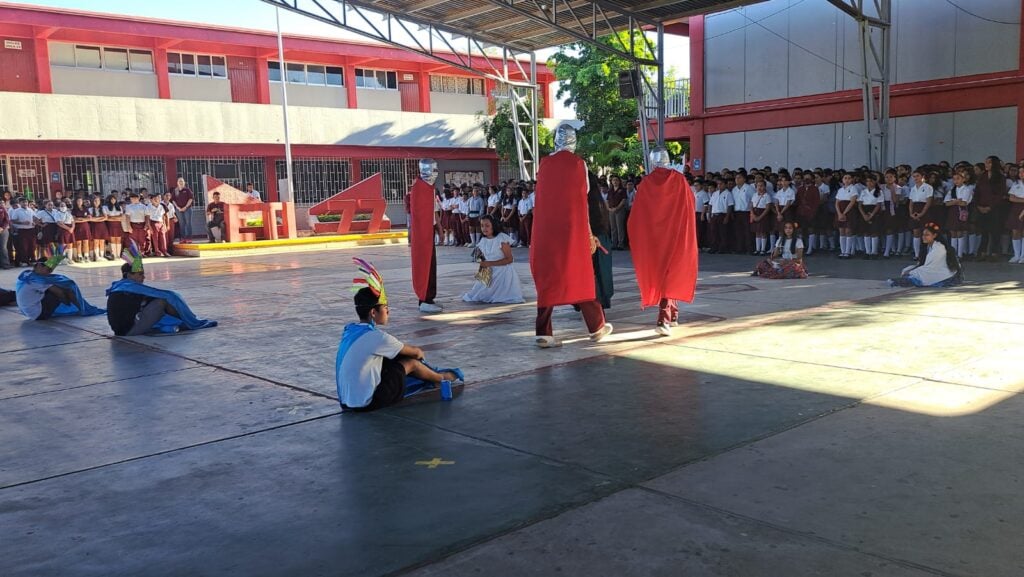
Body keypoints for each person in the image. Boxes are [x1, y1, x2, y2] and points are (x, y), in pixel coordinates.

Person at [336, 259, 463, 411]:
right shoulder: (377, 337)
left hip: (345, 402)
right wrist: (420, 360)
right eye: (385, 307)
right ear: (373, 312)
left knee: (391, 359)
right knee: (411, 363)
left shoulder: (350, 330)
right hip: (367, 403)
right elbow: (416, 352)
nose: (388, 311)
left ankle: (429, 376)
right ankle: (441, 379)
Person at [530, 123, 613, 348]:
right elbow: (581, 200)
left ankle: (543, 331)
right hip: (571, 229)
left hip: (546, 231)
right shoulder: (578, 164)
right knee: (579, 274)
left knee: (549, 278)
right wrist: (588, 234)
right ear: (574, 141)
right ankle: (595, 326)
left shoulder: (544, 164)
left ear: (556, 140)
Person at [627, 147, 699, 337]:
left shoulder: (646, 183)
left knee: (664, 274)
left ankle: (671, 314)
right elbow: (690, 204)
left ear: (652, 161)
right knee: (672, 273)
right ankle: (664, 317)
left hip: (655, 239)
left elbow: (637, 214)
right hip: (676, 235)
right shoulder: (680, 180)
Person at [105, 242, 217, 336]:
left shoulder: (119, 285)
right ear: (129, 275)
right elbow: (164, 296)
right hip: (127, 331)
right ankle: (190, 323)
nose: (143, 277)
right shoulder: (129, 287)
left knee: (160, 303)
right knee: (163, 301)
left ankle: (186, 321)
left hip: (122, 328)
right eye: (140, 274)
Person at [14, 247, 105, 320]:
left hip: (27, 311)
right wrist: (68, 300)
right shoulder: (38, 280)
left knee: (56, 289)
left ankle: (79, 307)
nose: (49, 273)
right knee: (66, 290)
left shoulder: (27, 274)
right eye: (48, 270)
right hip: (37, 313)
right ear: (39, 266)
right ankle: (82, 310)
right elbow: (59, 293)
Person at [462, 215, 524, 304]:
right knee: (477, 295)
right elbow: (481, 257)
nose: (484, 228)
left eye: (487, 226)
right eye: (482, 225)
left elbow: (509, 259)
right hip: (488, 270)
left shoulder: (501, 238)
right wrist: (482, 264)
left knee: (499, 296)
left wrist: (490, 263)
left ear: (493, 226)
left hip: (502, 272)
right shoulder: (483, 240)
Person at [409, 159, 444, 314]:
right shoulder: (419, 188)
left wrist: (439, 229)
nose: (435, 174)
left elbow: (432, 212)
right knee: (425, 266)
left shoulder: (429, 189)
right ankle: (424, 299)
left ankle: (429, 297)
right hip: (422, 235)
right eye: (433, 170)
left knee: (431, 265)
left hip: (428, 233)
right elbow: (419, 215)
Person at [887, 222, 962, 287]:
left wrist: (913, 271)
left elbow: (931, 267)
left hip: (946, 274)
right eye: (923, 234)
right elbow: (926, 265)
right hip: (934, 270)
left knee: (914, 274)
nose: (924, 237)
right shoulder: (930, 246)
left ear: (934, 235)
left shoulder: (939, 248)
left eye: (927, 235)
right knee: (907, 270)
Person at [1007, 165, 1024, 263]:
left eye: (1023, 172)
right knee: (1015, 231)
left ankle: (1023, 255)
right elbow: (1011, 198)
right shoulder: (1016, 184)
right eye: (1020, 172)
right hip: (1016, 208)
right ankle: (1016, 255)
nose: (1021, 174)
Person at [146, 192, 170, 257]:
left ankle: (164, 251)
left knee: (163, 237)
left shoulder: (162, 206)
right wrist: (149, 227)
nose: (159, 199)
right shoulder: (149, 206)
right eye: (157, 198)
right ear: (153, 198)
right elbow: (147, 217)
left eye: (159, 198)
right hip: (153, 223)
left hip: (161, 223)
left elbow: (164, 216)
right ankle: (157, 251)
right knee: (155, 238)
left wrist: (166, 225)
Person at [172, 177, 194, 243]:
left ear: (184, 182)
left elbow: (190, 199)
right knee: (181, 224)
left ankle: (189, 238)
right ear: (177, 183)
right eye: (179, 181)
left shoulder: (187, 190)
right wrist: (177, 207)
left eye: (182, 181)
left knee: (188, 223)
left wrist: (185, 207)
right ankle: (183, 238)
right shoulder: (175, 190)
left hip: (187, 209)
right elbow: (173, 200)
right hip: (178, 209)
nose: (181, 182)